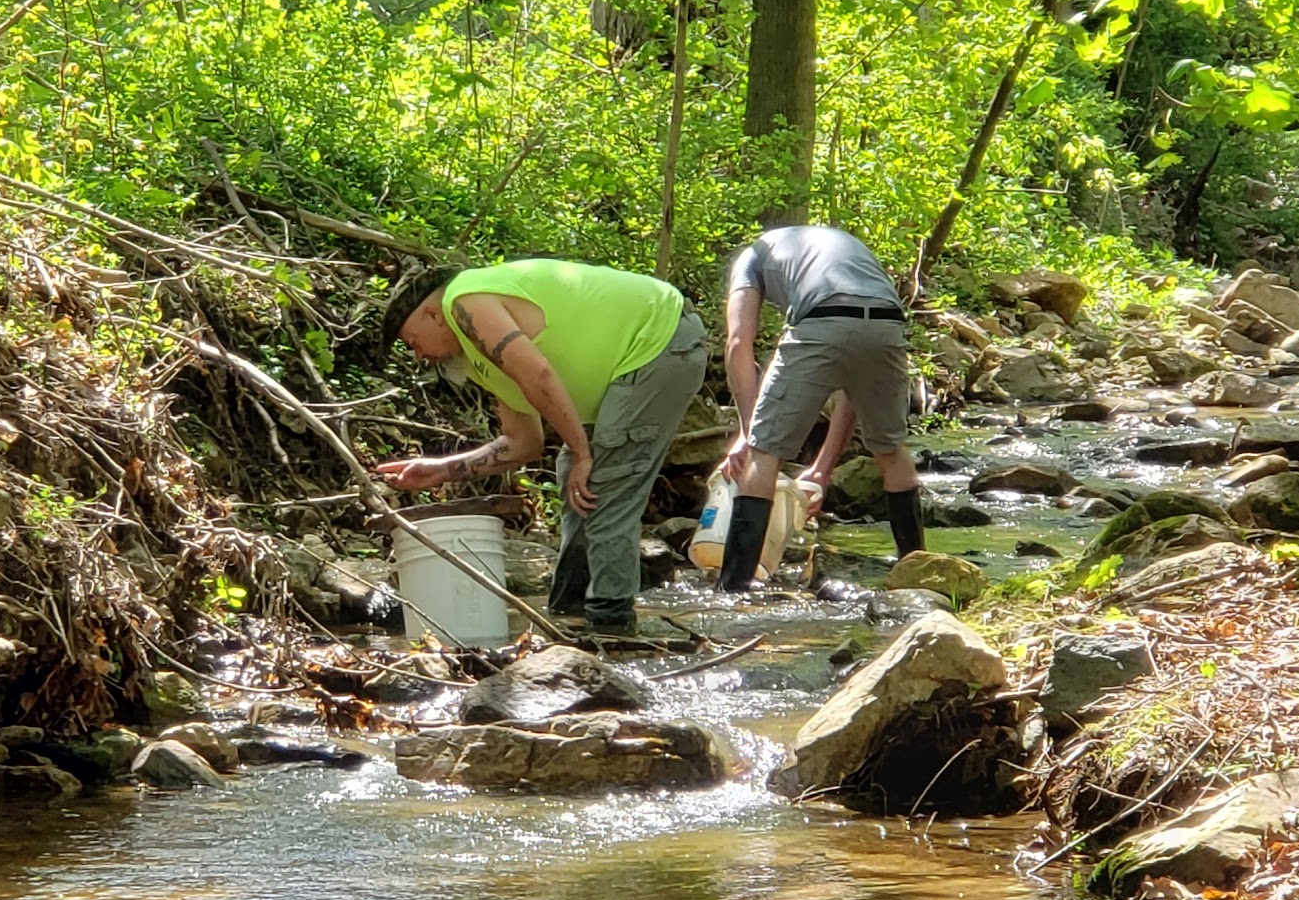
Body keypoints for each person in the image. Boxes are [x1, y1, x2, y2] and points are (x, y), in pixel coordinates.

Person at [376, 260, 708, 632]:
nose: (419, 355)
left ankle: (612, 625)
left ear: (431, 314)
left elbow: (539, 374)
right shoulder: (479, 358)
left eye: (413, 342)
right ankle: (570, 612)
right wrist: (440, 470)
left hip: (660, 338)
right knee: (576, 478)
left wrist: (583, 453)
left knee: (606, 481)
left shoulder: (463, 299)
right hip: (632, 362)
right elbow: (523, 443)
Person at [715, 224, 922, 592]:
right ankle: (918, 573)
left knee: (764, 453)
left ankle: (734, 589)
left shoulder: (751, 257)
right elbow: (853, 387)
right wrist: (821, 470)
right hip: (887, 321)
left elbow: (737, 342)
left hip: (821, 315)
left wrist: (749, 433)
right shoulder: (847, 252)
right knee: (890, 450)